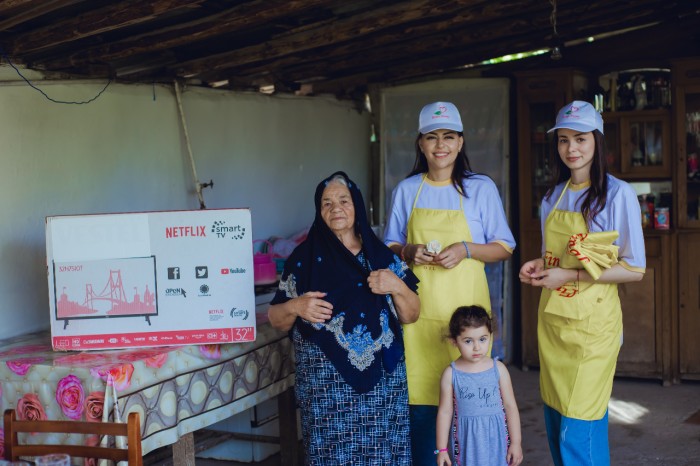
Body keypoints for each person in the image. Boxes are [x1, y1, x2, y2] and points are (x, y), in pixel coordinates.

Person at [384, 101, 516, 464]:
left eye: (448, 136)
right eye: (431, 137)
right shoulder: (408, 189)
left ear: (460, 142)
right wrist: (410, 250)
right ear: (421, 144)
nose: (440, 145)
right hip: (419, 317)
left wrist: (467, 249)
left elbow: (504, 247)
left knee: (474, 405)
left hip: (468, 321)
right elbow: (389, 245)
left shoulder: (481, 188)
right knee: (425, 404)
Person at [519, 100, 646, 466]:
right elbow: (551, 257)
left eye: (580, 139)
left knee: (579, 429)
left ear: (597, 142)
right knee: (558, 420)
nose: (571, 149)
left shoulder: (618, 194)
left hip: (592, 329)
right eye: (562, 140)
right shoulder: (551, 197)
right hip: (555, 323)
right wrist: (537, 267)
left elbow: (634, 269)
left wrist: (570, 275)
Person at [268, 171, 420, 465]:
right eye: (326, 203)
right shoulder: (303, 260)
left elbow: (412, 314)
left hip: (382, 387)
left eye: (343, 200)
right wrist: (296, 306)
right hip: (326, 388)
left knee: (382, 454)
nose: (335, 208)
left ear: (357, 206)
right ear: (318, 211)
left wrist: (397, 286)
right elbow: (276, 317)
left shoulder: (382, 257)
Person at [435, 305, 523, 466]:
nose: (476, 347)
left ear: (490, 336)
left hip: (497, 439)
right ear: (454, 341)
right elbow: (445, 412)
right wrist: (442, 449)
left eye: (482, 339)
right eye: (468, 341)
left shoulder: (499, 370)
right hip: (466, 440)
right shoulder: (451, 374)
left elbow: (510, 407)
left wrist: (516, 443)